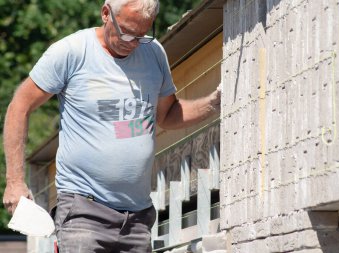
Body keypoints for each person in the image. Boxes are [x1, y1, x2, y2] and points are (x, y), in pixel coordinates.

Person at [2, 0, 221, 252]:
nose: (134, 43)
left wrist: (214, 102)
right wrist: (15, 181)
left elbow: (168, 114)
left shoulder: (154, 53)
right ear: (106, 14)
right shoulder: (72, 52)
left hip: (137, 218)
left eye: (142, 35)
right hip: (83, 211)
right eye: (127, 32)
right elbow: (19, 106)